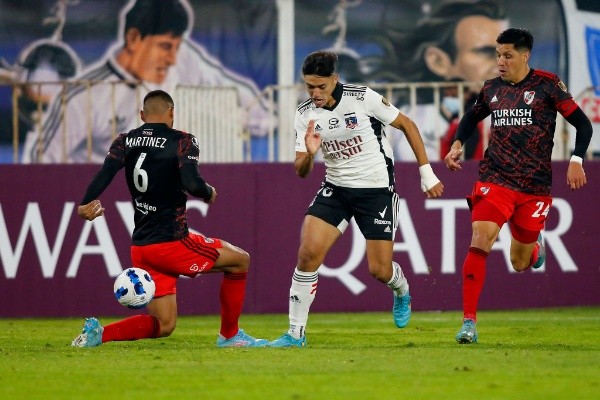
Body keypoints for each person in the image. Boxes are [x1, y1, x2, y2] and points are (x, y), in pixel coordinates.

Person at [269, 51, 444, 348]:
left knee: (380, 271)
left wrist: (427, 174)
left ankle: (401, 289)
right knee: (308, 254)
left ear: (335, 79)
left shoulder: (362, 97)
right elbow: (301, 171)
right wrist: (310, 154)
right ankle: (295, 334)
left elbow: (407, 125)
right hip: (336, 188)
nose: (315, 93)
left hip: (375, 189)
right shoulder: (304, 114)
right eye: (309, 86)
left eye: (321, 86)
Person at [71, 89, 267, 348]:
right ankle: (230, 336)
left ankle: (98, 335)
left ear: (142, 115)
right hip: (172, 243)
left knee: (164, 324)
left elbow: (105, 173)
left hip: (142, 247)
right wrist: (208, 192)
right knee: (240, 261)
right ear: (172, 113)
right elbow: (192, 183)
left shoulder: (125, 141)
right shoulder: (183, 140)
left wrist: (84, 203)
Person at [444, 28, 593, 344]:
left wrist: (577, 159)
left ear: (525, 56)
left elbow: (582, 124)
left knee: (520, 262)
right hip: (495, 178)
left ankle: (535, 246)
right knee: (480, 239)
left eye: (507, 55)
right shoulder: (491, 88)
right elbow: (471, 118)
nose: (500, 61)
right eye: (498, 55)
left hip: (534, 186)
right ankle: (469, 322)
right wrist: (457, 143)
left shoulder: (548, 85)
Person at [23, 0, 269, 163]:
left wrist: (262, 119)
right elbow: (40, 161)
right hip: (108, 204)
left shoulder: (183, 61)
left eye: (176, 48)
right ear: (133, 39)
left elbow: (241, 96)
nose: (172, 59)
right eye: (165, 47)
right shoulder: (83, 97)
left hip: (165, 195)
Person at [363, 0, 507, 162]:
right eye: (485, 52)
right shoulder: (411, 121)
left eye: (507, 54)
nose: (502, 63)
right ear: (438, 61)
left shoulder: (514, 116)